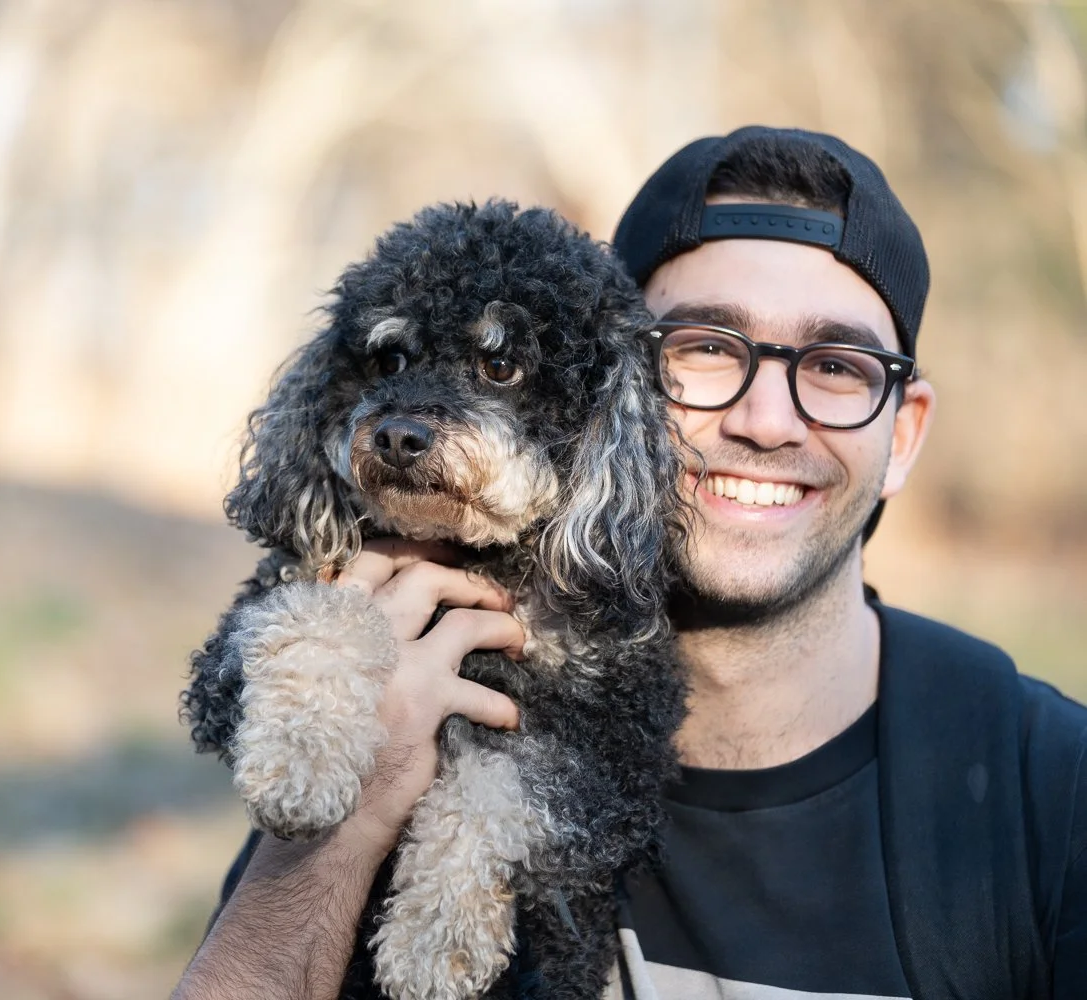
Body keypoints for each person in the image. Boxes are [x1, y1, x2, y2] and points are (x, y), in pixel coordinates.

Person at [172, 126, 1087, 1000]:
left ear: (905, 432)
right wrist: (351, 825)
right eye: (703, 349)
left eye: (838, 366)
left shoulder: (1049, 790)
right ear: (619, 383)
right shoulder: (401, 681)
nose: (765, 421)